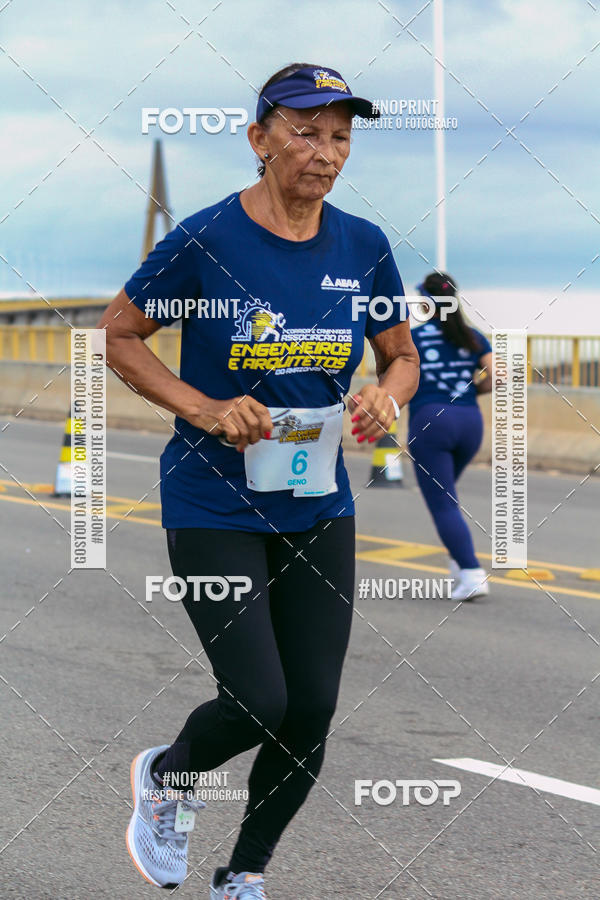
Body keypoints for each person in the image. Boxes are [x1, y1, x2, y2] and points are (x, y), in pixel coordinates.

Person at [99, 62, 419, 897]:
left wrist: (387, 395)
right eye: (306, 132)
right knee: (256, 702)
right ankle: (169, 776)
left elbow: (402, 355)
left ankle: (242, 875)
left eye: (340, 136)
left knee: (310, 707)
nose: (326, 152)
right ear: (259, 139)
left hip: (319, 502)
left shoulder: (364, 245)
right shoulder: (209, 239)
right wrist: (203, 405)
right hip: (216, 501)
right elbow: (121, 335)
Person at [408, 272, 492, 601]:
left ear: (425, 301)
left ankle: (472, 573)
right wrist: (472, 392)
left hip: (432, 422)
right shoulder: (471, 336)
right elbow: (500, 376)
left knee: (443, 504)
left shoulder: (413, 337)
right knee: (448, 499)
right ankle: (459, 564)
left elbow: (395, 377)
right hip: (470, 422)